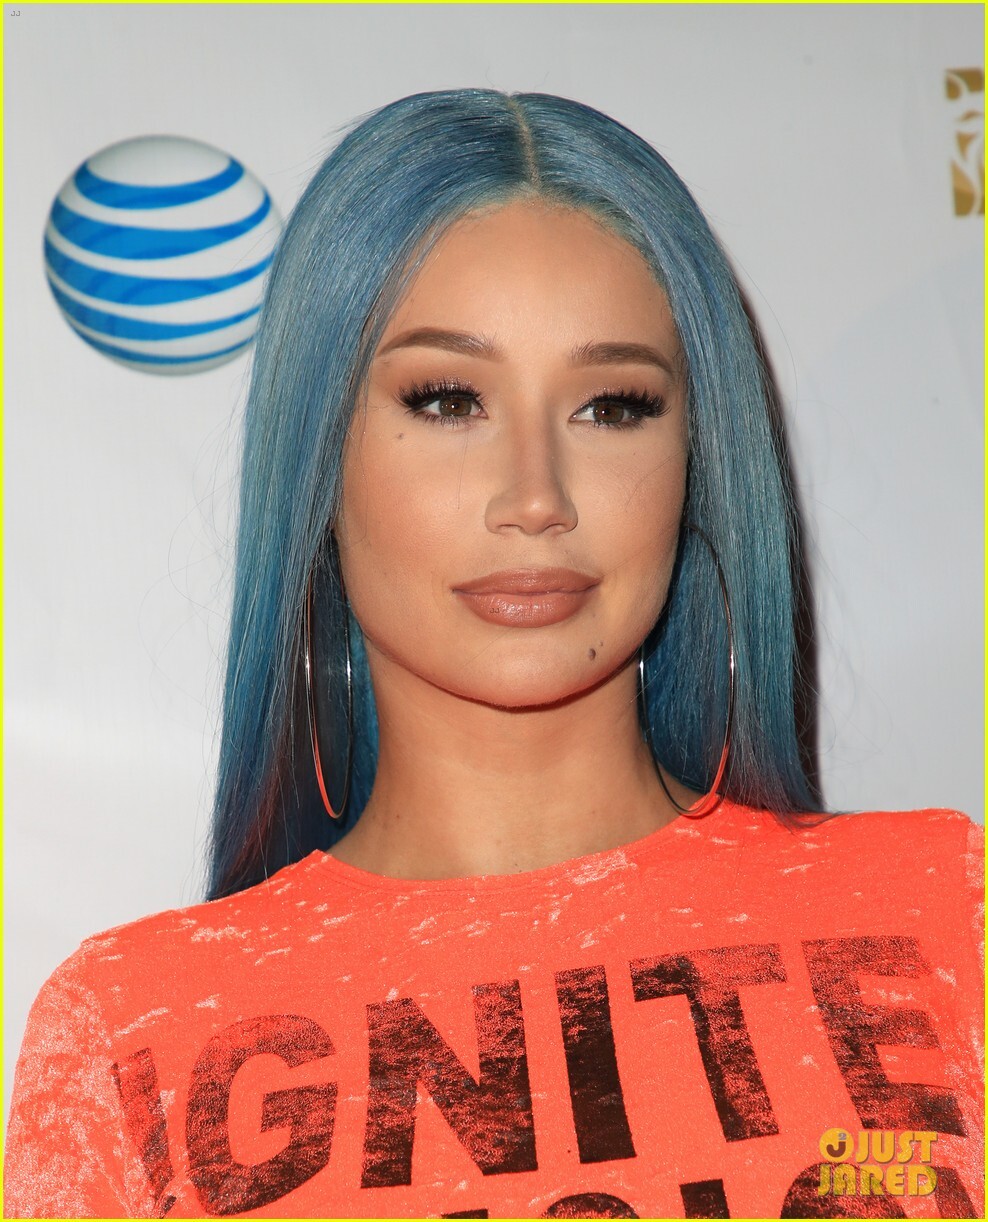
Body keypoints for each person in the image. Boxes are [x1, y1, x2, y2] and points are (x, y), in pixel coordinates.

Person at [5, 88, 983, 1220]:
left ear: (698, 456)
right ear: (318, 455)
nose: (534, 496)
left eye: (612, 407)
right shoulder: (130, 1036)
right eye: (446, 399)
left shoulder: (948, 914)